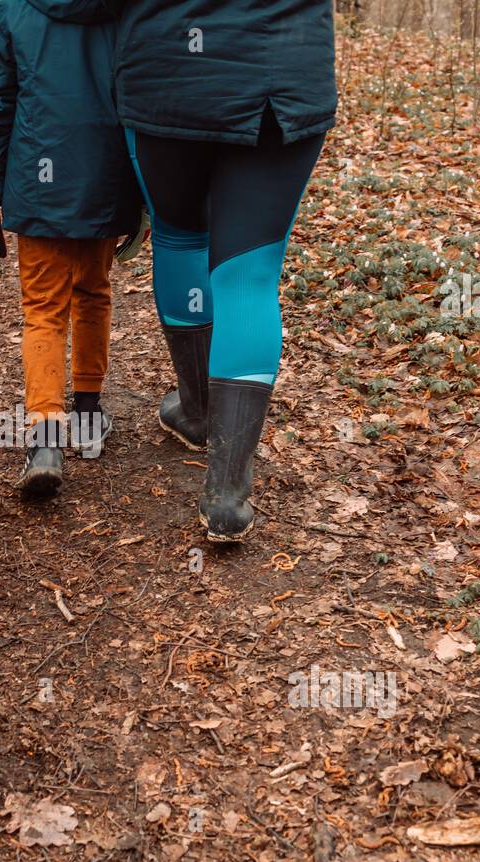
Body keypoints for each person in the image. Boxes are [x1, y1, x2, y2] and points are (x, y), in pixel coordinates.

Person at [110, 0, 335, 540]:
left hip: (168, 75)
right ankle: (227, 496)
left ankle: (197, 411)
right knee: (248, 278)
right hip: (282, 75)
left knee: (180, 234)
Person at [0, 0, 147, 497]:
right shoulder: (129, 10)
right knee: (94, 292)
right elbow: (145, 96)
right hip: (108, 176)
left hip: (38, 176)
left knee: (43, 308)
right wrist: (146, 192)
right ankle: (87, 416)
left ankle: (45, 439)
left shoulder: (13, 9)